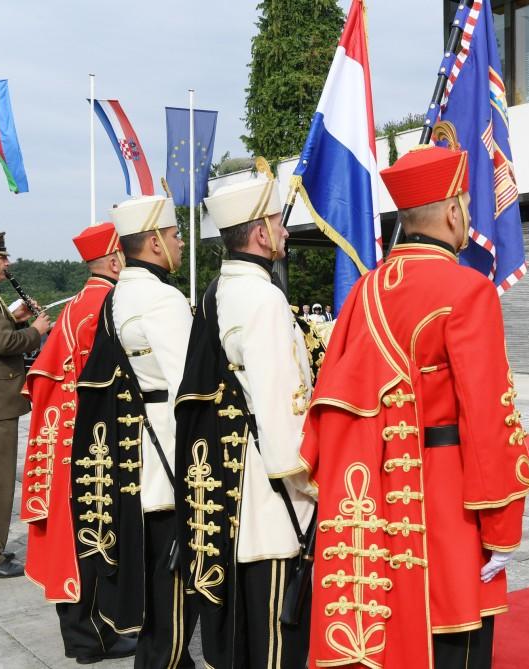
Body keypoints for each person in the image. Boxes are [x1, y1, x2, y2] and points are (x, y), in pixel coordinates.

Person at [298, 145, 529, 668]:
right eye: (467, 206)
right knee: (455, 641)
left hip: (377, 497)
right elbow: (489, 417)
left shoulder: (362, 291)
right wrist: (502, 525)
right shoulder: (469, 290)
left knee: (392, 636)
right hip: (450, 505)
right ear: (453, 213)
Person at [174, 177, 316, 667]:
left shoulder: (220, 289)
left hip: (233, 487)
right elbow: (282, 409)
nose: (286, 233)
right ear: (259, 233)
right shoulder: (264, 299)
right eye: (279, 223)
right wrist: (312, 489)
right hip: (271, 500)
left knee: (243, 636)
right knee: (278, 639)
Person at [70, 195, 198, 667]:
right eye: (175, 235)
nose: (180, 242)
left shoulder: (122, 291)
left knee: (155, 579)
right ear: (154, 241)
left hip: (138, 454)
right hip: (167, 450)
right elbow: (191, 383)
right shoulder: (160, 298)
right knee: (172, 582)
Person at [20, 222, 137, 662]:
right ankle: (92, 637)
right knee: (90, 537)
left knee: (77, 538)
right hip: (88, 441)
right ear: (113, 260)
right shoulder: (108, 304)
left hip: (63, 437)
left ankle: (87, 636)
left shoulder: (76, 304)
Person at [0, 232, 51, 580]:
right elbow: (3, 343)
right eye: (1, 258)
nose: (7, 264)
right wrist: (35, 330)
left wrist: (16, 319)